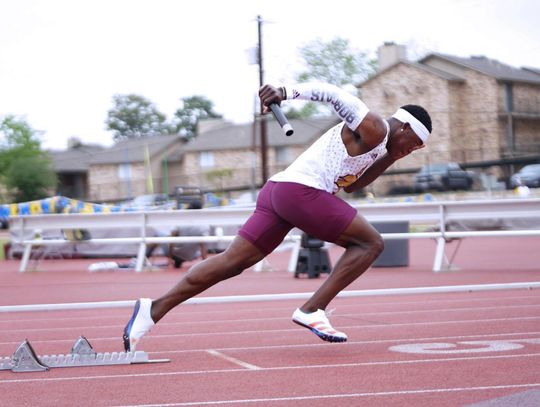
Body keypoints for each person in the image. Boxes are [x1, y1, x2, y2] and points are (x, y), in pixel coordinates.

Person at [123, 82, 432, 351]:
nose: (411, 151)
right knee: (370, 244)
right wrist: (285, 92)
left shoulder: (381, 149)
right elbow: (335, 95)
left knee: (232, 262)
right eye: (414, 144)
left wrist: (391, 156)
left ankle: (152, 311)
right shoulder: (375, 127)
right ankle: (313, 309)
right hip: (300, 192)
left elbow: (354, 186)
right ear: (405, 128)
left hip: (279, 192)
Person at [145, 201, 209, 269]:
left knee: (158, 236)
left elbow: (172, 239)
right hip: (191, 256)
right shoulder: (204, 226)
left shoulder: (181, 220)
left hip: (176, 253)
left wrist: (169, 259)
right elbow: (203, 246)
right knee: (194, 246)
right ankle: (178, 261)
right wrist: (205, 264)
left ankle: (143, 258)